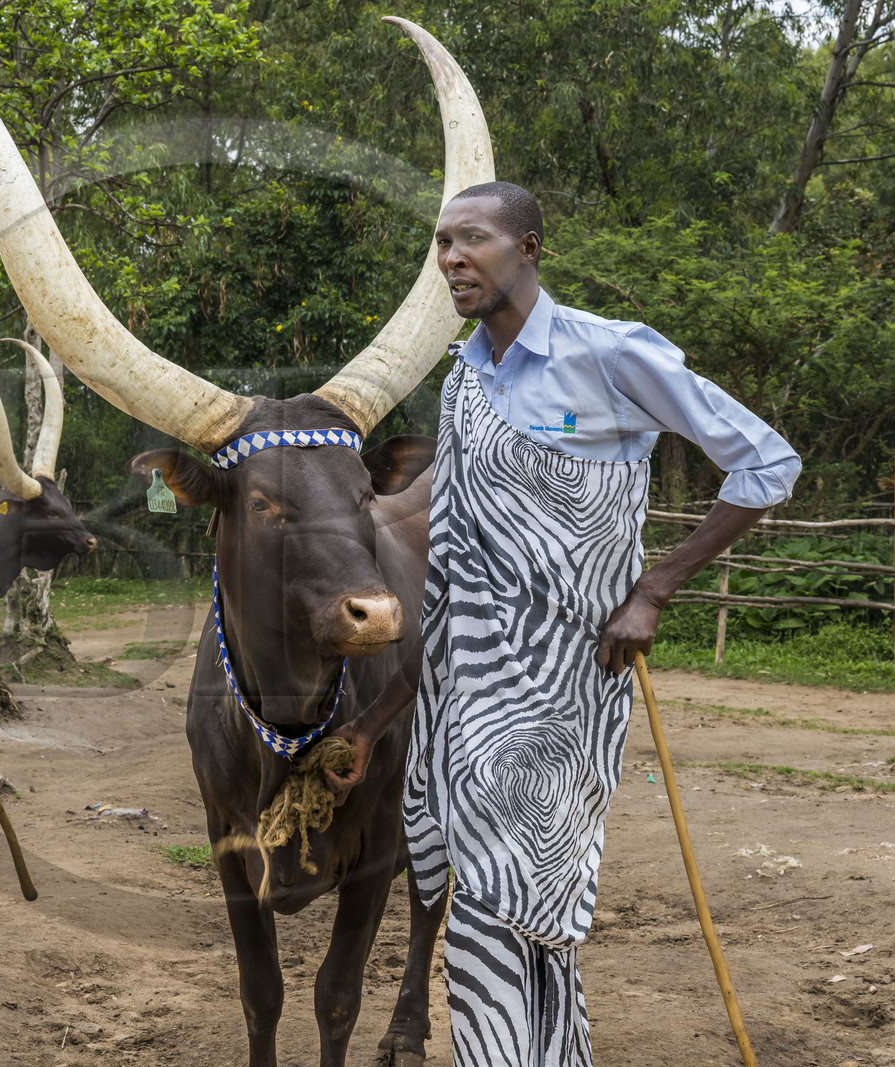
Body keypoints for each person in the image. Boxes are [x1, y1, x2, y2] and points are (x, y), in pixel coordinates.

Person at [326, 182, 800, 1064]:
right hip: (462, 705)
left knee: (504, 904)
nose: (451, 259)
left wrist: (655, 587)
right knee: (505, 914)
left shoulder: (612, 352)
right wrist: (375, 721)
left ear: (529, 247)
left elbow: (767, 463)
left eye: (472, 239)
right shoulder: (465, 377)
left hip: (564, 695)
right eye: (441, 243)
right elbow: (449, 573)